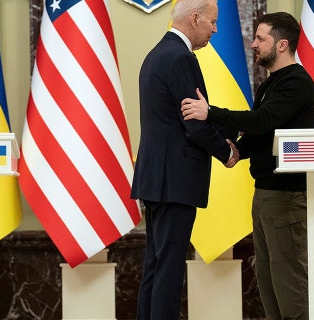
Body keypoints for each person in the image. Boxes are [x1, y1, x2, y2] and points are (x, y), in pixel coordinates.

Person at [181, 12, 314, 320]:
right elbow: (263, 134)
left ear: (282, 45)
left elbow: (261, 121)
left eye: (260, 38)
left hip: (286, 197)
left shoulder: (295, 82)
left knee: (290, 284)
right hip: (267, 194)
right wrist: (237, 153)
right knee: (269, 283)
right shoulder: (275, 82)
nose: (254, 44)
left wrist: (210, 113)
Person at [130, 0, 239, 319]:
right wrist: (226, 150)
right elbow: (193, 124)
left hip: (157, 179)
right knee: (169, 269)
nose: (216, 30)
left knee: (156, 266)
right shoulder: (181, 58)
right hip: (174, 181)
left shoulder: (157, 54)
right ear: (195, 18)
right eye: (213, 22)